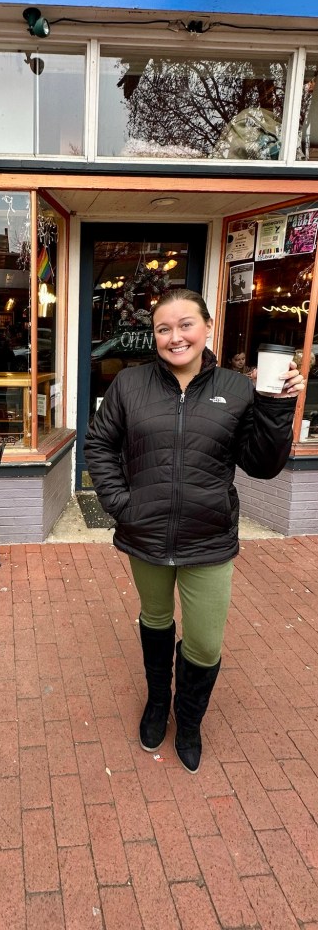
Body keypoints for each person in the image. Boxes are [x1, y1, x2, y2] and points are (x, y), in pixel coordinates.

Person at [84, 288, 304, 773]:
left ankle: (189, 721)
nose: (174, 336)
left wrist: (277, 407)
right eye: (164, 328)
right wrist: (123, 505)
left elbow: (263, 465)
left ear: (207, 328)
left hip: (209, 537)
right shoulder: (130, 385)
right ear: (154, 337)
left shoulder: (239, 387)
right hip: (146, 535)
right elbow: (98, 444)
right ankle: (158, 704)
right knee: (156, 621)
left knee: (204, 642)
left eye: (186, 324)